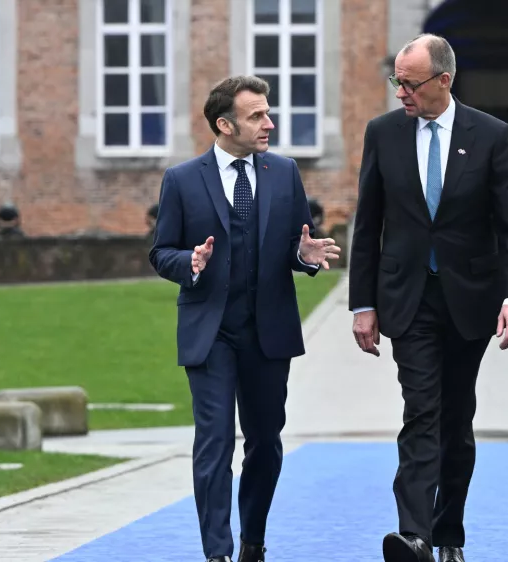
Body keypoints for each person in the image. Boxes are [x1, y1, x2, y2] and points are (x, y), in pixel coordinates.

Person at [349, 34, 508, 562]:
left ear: (443, 81)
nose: (400, 92)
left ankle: (448, 531)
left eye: (409, 83)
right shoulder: (383, 134)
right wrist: (362, 304)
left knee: (456, 420)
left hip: (471, 300)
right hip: (408, 300)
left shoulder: (490, 135)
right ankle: (414, 535)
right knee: (420, 412)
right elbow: (370, 225)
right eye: (396, 82)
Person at [149, 75, 340, 562]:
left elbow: (297, 245)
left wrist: (306, 255)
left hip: (268, 331)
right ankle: (217, 553)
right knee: (213, 443)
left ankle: (253, 541)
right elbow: (160, 252)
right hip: (210, 332)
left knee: (265, 441)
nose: (268, 123)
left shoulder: (284, 173)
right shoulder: (182, 180)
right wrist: (187, 263)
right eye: (256, 116)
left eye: (267, 113)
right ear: (224, 124)